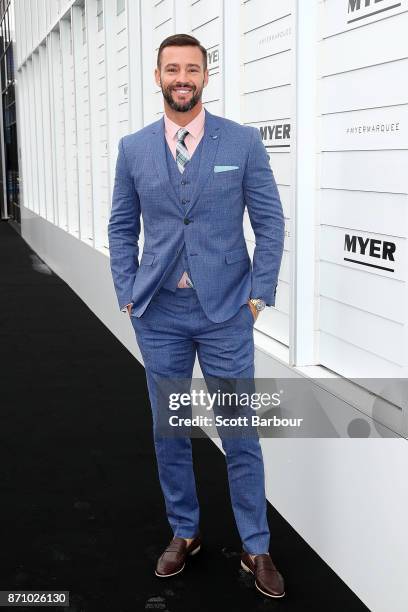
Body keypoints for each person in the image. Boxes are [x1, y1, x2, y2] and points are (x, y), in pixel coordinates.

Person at [108, 33, 285, 599]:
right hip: (159, 313)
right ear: (157, 77)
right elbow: (120, 227)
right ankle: (185, 532)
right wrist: (128, 295)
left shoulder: (243, 141)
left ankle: (255, 546)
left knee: (240, 432)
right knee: (171, 432)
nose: (182, 78)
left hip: (226, 312)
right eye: (172, 69)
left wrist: (257, 299)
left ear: (206, 76)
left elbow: (271, 223)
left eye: (192, 69)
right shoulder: (133, 149)